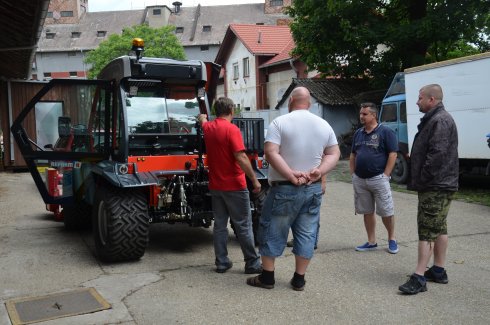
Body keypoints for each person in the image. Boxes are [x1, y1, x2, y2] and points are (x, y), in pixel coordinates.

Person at [246, 87, 340, 291]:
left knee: (272, 229)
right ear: (310, 104)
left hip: (284, 188)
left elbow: (271, 153)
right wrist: (319, 171)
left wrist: (290, 174)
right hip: (312, 188)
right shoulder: (324, 125)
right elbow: (334, 153)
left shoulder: (279, 123)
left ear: (290, 102)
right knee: (307, 233)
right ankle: (299, 279)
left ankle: (268, 277)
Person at [399, 84, 458, 294]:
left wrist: (422, 177)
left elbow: (437, 155)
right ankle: (439, 270)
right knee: (439, 226)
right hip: (440, 183)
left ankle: (419, 277)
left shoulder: (440, 120)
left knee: (426, 230)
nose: (417, 102)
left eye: (420, 98)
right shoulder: (437, 119)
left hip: (435, 184)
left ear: (431, 100)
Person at [198, 97, 262, 274]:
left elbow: (203, 121)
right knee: (243, 224)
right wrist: (255, 181)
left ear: (216, 112)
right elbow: (241, 157)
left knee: (219, 225)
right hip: (234, 185)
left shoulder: (209, 128)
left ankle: (222, 262)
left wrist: (202, 117)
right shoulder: (232, 129)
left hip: (216, 185)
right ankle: (252, 263)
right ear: (231, 110)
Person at [349, 102, 399, 254]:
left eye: (365, 114)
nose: (361, 116)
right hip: (360, 179)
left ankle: (392, 239)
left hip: (379, 178)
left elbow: (393, 154)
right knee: (367, 211)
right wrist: (353, 174)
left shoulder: (385, 132)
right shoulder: (358, 133)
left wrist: (386, 175)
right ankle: (371, 241)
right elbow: (353, 155)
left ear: (374, 115)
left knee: (386, 211)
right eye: (360, 114)